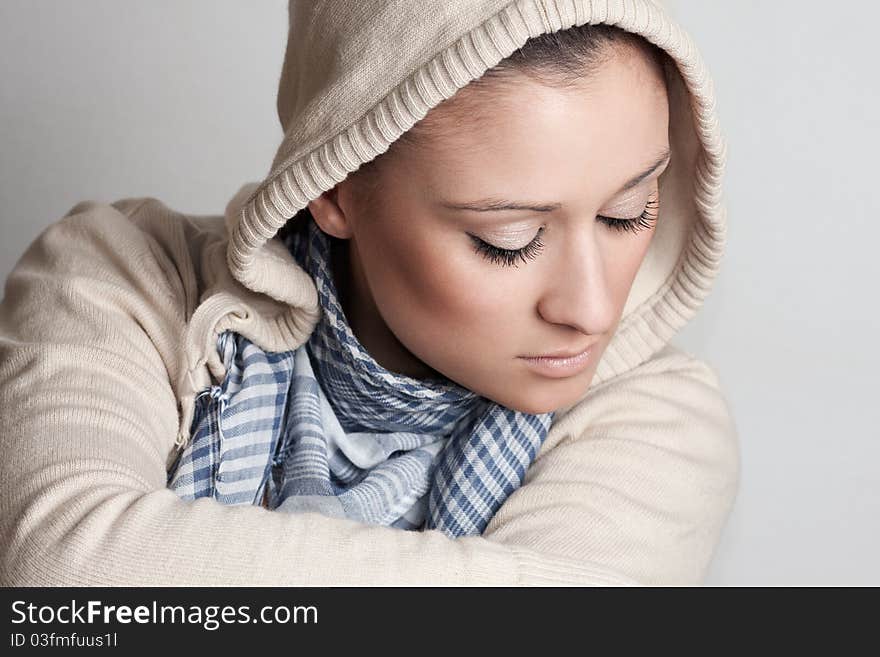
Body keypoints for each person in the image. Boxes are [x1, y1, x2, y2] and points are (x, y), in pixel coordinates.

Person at [0, 0, 740, 586]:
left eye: (628, 212)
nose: (590, 307)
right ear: (334, 186)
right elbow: (58, 578)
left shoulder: (657, 417)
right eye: (508, 238)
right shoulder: (121, 278)